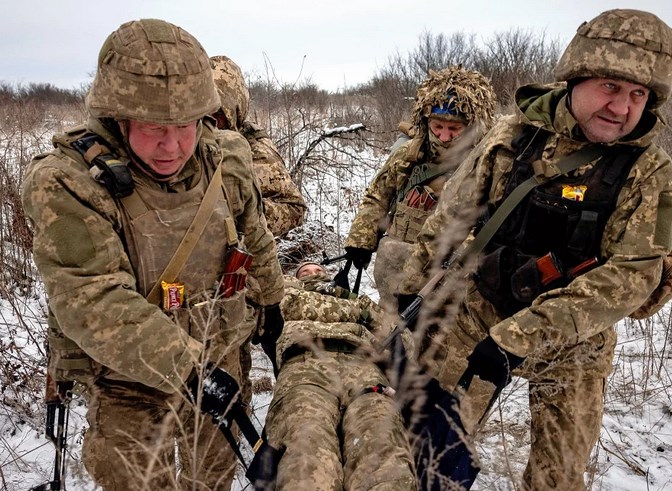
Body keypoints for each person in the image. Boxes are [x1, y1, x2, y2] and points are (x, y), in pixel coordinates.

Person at [397, 9, 672, 490]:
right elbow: (451, 218)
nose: (622, 106)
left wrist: (520, 337)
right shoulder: (511, 137)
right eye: (610, 87)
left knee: (558, 477)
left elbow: (630, 277)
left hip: (575, 343)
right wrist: (412, 292)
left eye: (638, 95)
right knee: (429, 451)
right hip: (480, 310)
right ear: (576, 78)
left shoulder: (648, 171)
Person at [22, 19, 285, 491]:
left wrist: (271, 304)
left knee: (213, 476)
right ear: (118, 117)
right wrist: (188, 368)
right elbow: (94, 298)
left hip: (219, 353)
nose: (173, 146)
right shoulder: (68, 182)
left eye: (185, 126)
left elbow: (254, 235)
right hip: (131, 381)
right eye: (152, 129)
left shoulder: (225, 156)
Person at [344, 66, 497, 311]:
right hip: (395, 269)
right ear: (425, 121)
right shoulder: (408, 155)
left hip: (450, 279)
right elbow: (378, 196)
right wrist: (360, 240)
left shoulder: (488, 164)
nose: (444, 136)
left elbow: (492, 224)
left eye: (454, 129)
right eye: (437, 127)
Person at [261, 262, 417, 490]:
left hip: (365, 368)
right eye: (305, 271)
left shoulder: (357, 298)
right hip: (306, 365)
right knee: (306, 443)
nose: (314, 274)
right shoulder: (286, 290)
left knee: (382, 444)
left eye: (319, 271)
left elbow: (404, 341)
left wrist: (358, 308)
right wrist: (360, 314)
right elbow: (288, 305)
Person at [210, 55, 307, 237]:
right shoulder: (179, 140)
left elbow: (294, 209)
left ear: (234, 111)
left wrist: (244, 212)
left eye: (217, 115)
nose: (209, 124)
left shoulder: (255, 150)